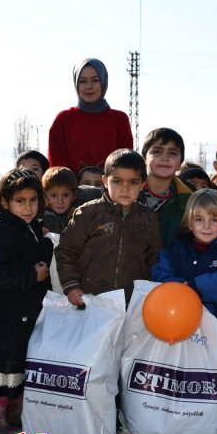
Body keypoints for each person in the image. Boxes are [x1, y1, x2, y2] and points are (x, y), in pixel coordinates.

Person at [0, 169, 53, 434]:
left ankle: (12, 417)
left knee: (16, 367)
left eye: (33, 200)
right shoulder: (1, 230)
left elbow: (38, 256)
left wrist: (45, 242)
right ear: (5, 201)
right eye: (20, 201)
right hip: (5, 315)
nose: (28, 207)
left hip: (24, 313)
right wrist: (34, 275)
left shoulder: (29, 228)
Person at [56, 149, 162, 307]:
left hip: (131, 302)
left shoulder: (148, 218)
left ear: (142, 184)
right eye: (117, 182)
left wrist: (150, 291)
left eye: (133, 182)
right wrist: (72, 286)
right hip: (90, 299)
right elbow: (66, 251)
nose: (125, 188)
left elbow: (154, 259)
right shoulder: (88, 213)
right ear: (105, 181)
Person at [151, 189, 217, 330]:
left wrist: (193, 286)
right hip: (179, 322)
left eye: (214, 220)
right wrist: (182, 288)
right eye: (199, 219)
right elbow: (160, 276)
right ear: (189, 222)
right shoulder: (175, 248)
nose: (206, 226)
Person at [48, 58, 133, 173]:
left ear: (103, 82)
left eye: (95, 80)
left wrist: (106, 181)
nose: (89, 86)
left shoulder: (120, 120)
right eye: (83, 81)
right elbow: (57, 165)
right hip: (70, 184)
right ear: (76, 84)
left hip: (111, 184)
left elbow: (126, 163)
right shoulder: (63, 120)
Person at [139, 128, 195, 246]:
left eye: (172, 153)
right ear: (144, 158)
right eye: (157, 151)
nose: (165, 158)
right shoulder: (125, 191)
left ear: (180, 164)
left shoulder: (190, 200)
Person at [41, 167, 78, 233]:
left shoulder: (80, 216)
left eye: (65, 195)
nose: (60, 201)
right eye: (54, 196)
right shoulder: (38, 218)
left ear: (74, 195)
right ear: (45, 196)